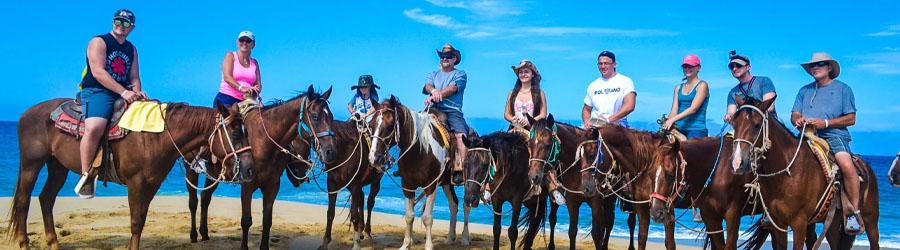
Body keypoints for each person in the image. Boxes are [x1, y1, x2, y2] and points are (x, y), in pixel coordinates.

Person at [74, 9, 147, 198]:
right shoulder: (99, 42)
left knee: (145, 119)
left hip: (123, 92)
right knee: (95, 127)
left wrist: (137, 92)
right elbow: (98, 72)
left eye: (125, 23)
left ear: (132, 27)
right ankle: (86, 175)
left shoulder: (131, 49)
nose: (120, 25)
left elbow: (134, 76)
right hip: (98, 90)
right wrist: (124, 92)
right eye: (117, 21)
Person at [790, 52, 861, 234]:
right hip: (806, 136)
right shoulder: (804, 90)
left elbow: (851, 118)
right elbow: (794, 114)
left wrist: (826, 123)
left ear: (829, 67)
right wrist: (798, 120)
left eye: (820, 64)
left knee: (846, 165)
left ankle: (853, 214)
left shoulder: (843, 89)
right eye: (813, 66)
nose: (815, 68)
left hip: (834, 135)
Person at [423, 44, 469, 184]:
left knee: (461, 136)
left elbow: (453, 88)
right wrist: (433, 92)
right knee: (414, 126)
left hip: (452, 111)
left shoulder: (460, 74)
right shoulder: (433, 74)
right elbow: (427, 85)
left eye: (448, 57)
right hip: (434, 108)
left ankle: (461, 168)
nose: (445, 59)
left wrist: (440, 94)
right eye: (443, 56)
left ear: (455, 59)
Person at [582, 51, 636, 128]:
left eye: (606, 63)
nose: (603, 66)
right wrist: (587, 121)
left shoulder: (625, 81)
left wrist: (608, 120)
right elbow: (586, 109)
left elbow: (630, 105)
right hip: (595, 124)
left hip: (617, 126)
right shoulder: (593, 85)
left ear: (614, 64)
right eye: (600, 64)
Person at [663, 54, 709, 139]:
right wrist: (667, 121)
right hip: (679, 128)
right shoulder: (678, 88)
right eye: (685, 66)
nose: (687, 69)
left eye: (690, 66)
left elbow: (693, 109)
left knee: (689, 150)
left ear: (698, 68)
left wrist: (673, 119)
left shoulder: (702, 85)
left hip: (696, 129)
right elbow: (674, 110)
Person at [724, 50, 776, 123]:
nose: (734, 69)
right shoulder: (732, 92)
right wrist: (729, 116)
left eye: (738, 65)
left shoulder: (764, 81)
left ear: (748, 67)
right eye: (731, 67)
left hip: (767, 125)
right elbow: (731, 112)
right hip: (746, 128)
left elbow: (769, 107)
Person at [215, 31, 261, 106]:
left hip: (247, 100)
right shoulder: (230, 56)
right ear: (237, 42)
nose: (244, 43)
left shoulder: (255, 62)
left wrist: (256, 90)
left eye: (248, 41)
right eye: (241, 40)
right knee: (230, 117)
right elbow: (227, 77)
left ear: (253, 44)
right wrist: (241, 88)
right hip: (227, 97)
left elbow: (258, 83)